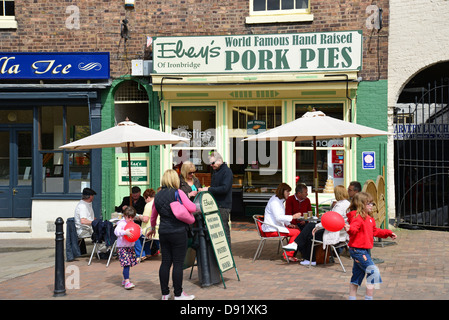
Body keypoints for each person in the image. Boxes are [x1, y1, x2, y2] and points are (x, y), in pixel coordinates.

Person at [149, 169, 197, 300]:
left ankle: (165, 294)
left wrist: (152, 228)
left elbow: (153, 215)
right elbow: (192, 208)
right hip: (178, 231)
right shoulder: (178, 192)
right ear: (175, 180)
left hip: (163, 232)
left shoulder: (157, 195)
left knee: (165, 263)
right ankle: (178, 294)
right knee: (177, 263)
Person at [344, 192, 397, 300]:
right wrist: (349, 229)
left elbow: (375, 231)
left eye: (372, 203)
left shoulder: (369, 218)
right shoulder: (357, 217)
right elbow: (354, 228)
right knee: (373, 272)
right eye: (368, 203)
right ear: (361, 204)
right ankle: (368, 298)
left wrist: (388, 233)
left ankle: (352, 297)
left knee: (357, 276)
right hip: (358, 251)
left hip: (364, 251)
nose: (371, 206)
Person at [263, 183, 302, 262]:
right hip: (271, 229)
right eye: (287, 191)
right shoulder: (275, 202)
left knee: (297, 230)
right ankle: (288, 255)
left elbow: (281, 217)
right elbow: (278, 217)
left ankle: (289, 253)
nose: (289, 193)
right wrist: (293, 217)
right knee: (297, 232)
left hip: (275, 226)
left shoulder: (279, 201)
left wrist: (289, 224)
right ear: (282, 191)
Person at [200, 152, 233, 247]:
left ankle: (227, 254)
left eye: (213, 163)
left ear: (219, 160)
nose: (211, 165)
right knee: (218, 231)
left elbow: (224, 188)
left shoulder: (226, 171)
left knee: (224, 229)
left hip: (223, 205)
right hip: (216, 204)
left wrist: (209, 189)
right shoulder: (217, 171)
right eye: (210, 163)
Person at [114, 206, 139, 290]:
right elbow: (116, 232)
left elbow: (137, 232)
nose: (131, 219)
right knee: (126, 264)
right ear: (124, 216)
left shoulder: (133, 224)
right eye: (129, 217)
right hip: (122, 247)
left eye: (132, 217)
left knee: (128, 264)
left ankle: (125, 280)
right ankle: (127, 282)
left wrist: (140, 230)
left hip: (130, 247)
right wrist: (125, 232)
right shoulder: (121, 223)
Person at [135, 188, 159, 261]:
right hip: (159, 228)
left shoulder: (149, 205)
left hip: (151, 230)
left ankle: (140, 254)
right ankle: (148, 253)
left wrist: (139, 217)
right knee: (145, 237)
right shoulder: (159, 202)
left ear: (148, 197)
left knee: (137, 235)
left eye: (145, 199)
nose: (145, 201)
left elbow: (145, 219)